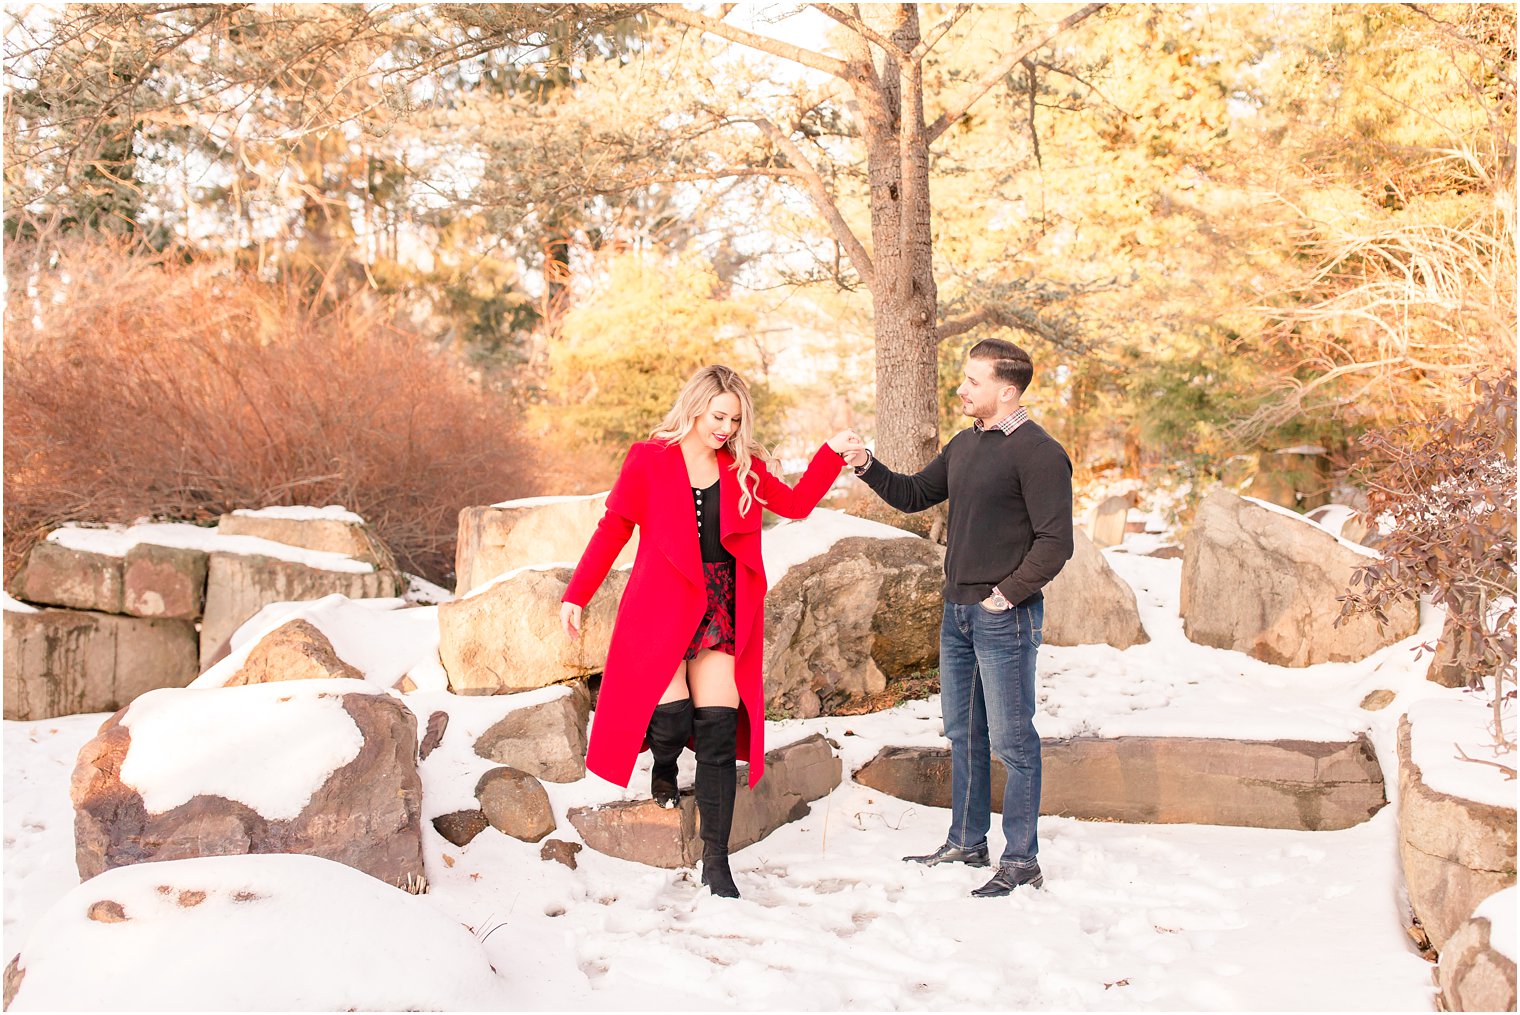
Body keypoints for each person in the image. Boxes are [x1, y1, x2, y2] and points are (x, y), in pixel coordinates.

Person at [560, 364, 865, 899]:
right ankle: (663, 764)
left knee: (720, 734)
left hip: (720, 609)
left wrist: (831, 453)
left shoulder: (741, 468)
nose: (724, 428)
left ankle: (717, 861)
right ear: (695, 407)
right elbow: (614, 528)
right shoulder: (649, 459)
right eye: (717, 416)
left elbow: (795, 505)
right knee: (673, 718)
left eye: (734, 419)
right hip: (659, 608)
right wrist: (576, 594)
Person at [842, 338, 1073, 898]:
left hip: (1003, 618)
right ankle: (968, 842)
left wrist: (1006, 595)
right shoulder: (966, 444)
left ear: (1006, 389)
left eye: (973, 380)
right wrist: (867, 465)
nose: (961, 388)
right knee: (964, 733)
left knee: (1014, 743)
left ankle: (1022, 861)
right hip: (959, 615)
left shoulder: (1040, 453)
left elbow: (1055, 542)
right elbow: (916, 493)